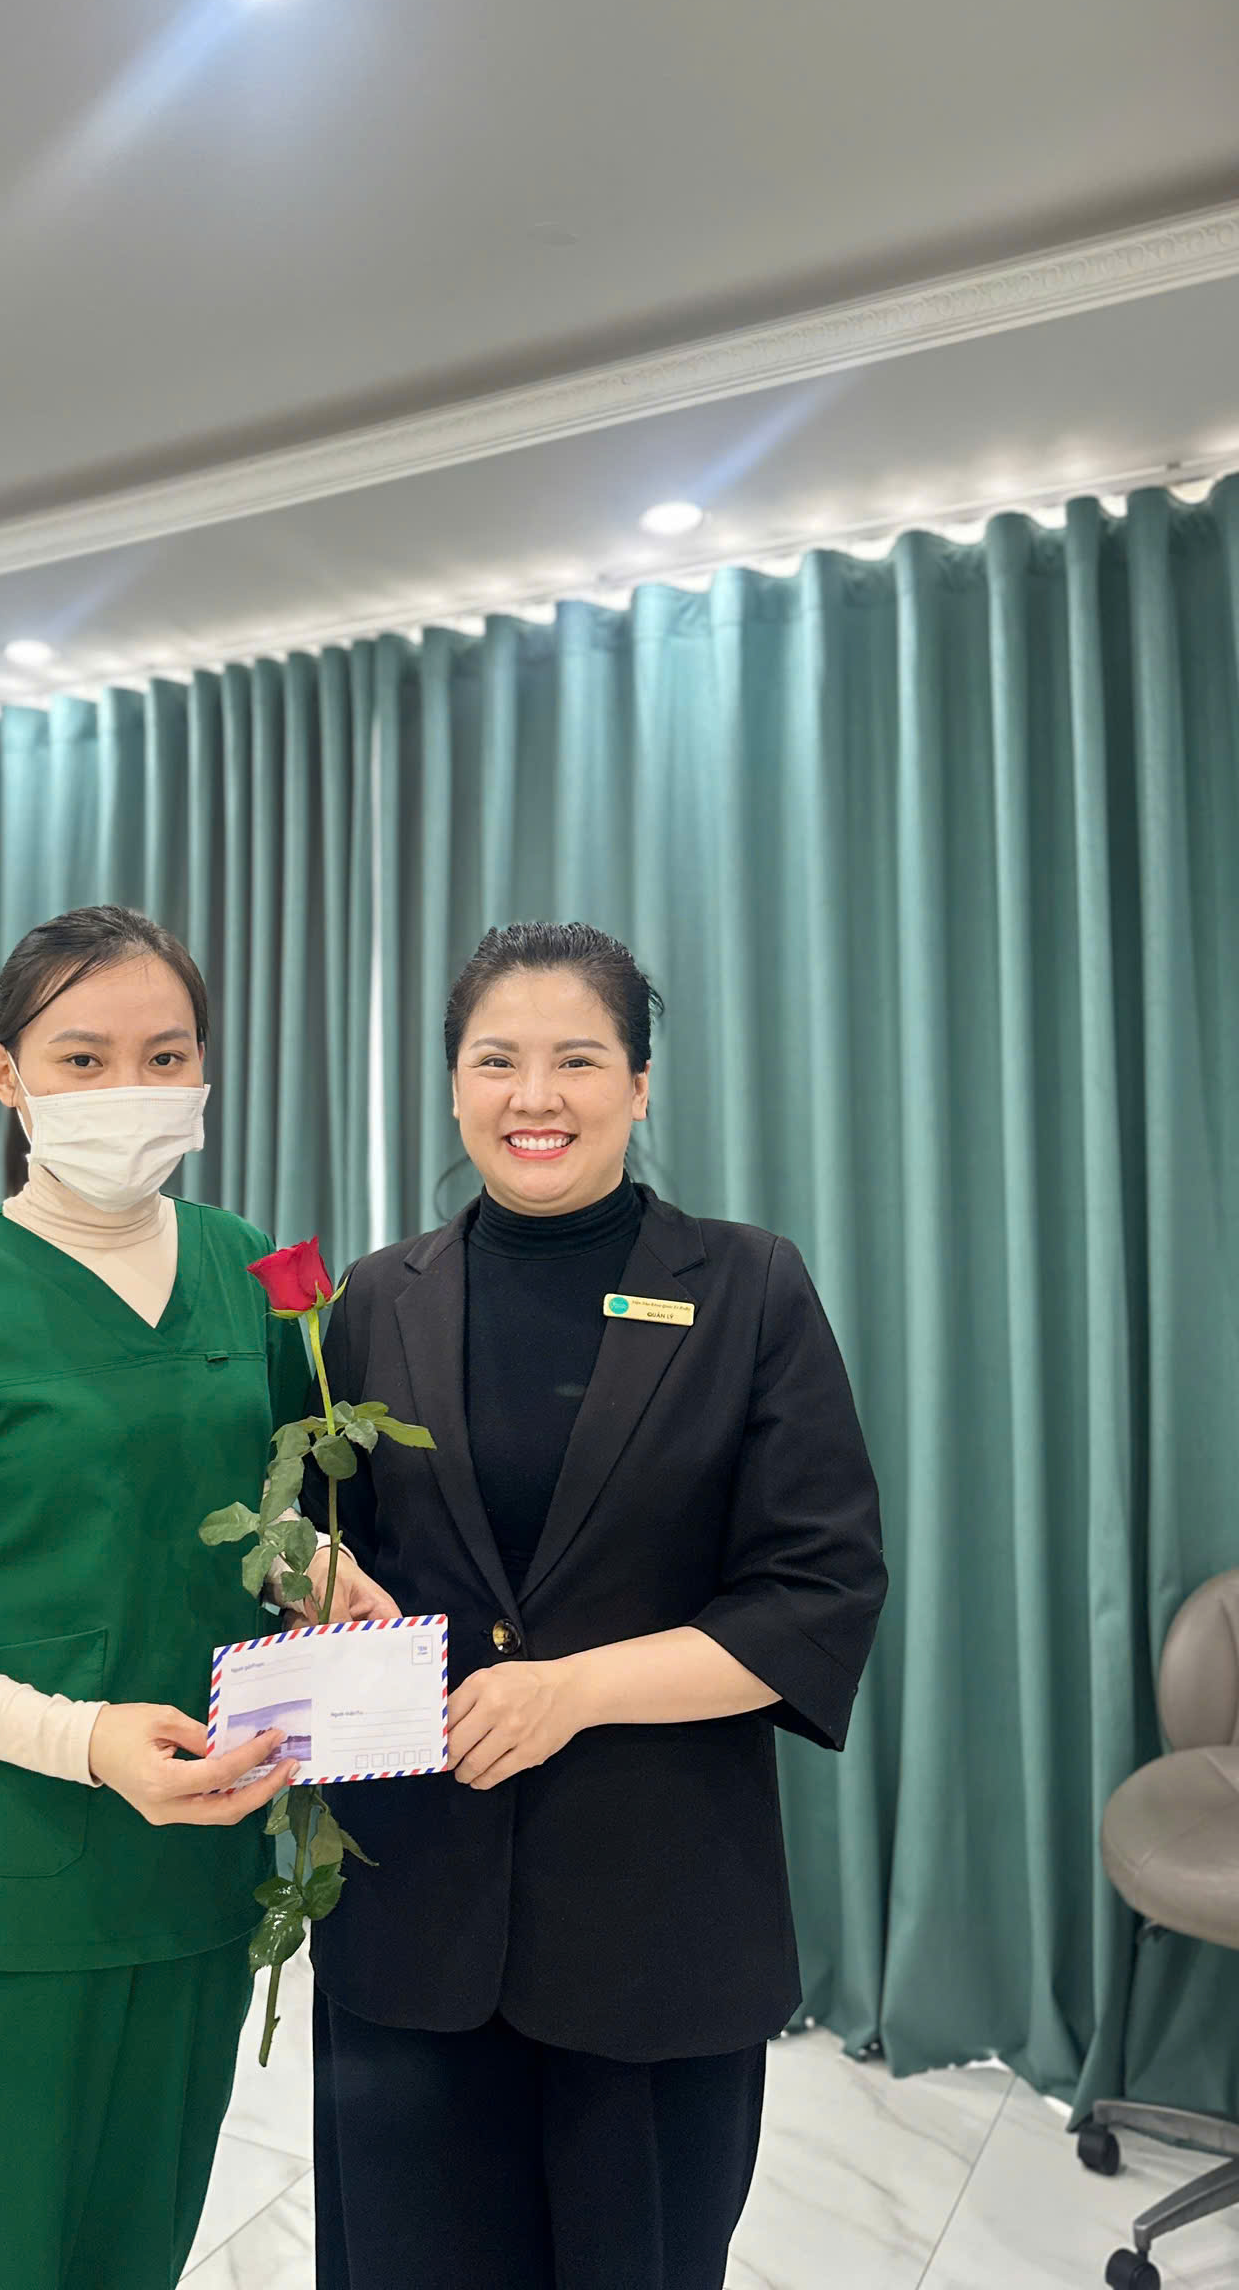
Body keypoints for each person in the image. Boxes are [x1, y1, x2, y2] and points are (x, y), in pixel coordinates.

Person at [0, 904, 383, 2290]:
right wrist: (82, 1739)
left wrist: (312, 1567)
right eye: (84, 1058)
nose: (132, 1091)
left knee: (131, 2254)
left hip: (193, 1877)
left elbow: (241, 1510)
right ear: (9, 1076)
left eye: (166, 1056)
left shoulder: (248, 1270)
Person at [309, 920, 889, 2290]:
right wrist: (303, 1569)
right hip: (413, 1917)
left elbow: (817, 1590)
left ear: (639, 1083)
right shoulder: (378, 1299)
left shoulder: (748, 1286)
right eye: (496, 1060)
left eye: (577, 1059)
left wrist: (573, 1691)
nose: (536, 1096)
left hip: (654, 1919)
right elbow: (328, 1544)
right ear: (453, 1084)